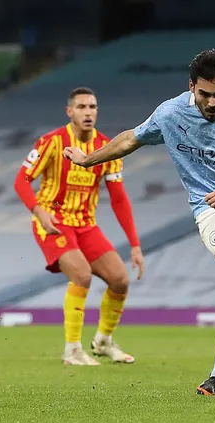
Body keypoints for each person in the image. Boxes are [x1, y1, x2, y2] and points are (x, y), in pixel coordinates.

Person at [63, 49, 215, 394]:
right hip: (211, 207)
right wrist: (87, 161)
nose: (213, 102)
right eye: (205, 94)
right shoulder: (172, 113)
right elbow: (130, 138)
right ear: (192, 87)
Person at [14, 87, 145, 366]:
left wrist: (134, 244)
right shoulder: (50, 142)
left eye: (92, 107)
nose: (88, 112)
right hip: (53, 223)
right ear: (69, 112)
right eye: (82, 107)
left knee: (120, 280)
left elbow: (119, 199)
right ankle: (72, 349)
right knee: (82, 275)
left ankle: (103, 341)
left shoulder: (107, 147)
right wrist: (39, 212)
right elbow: (21, 181)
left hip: (86, 225)